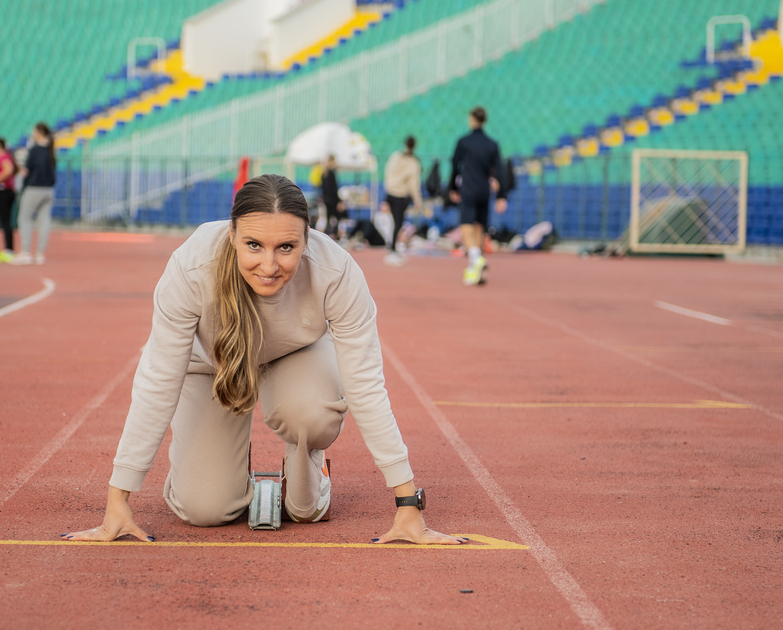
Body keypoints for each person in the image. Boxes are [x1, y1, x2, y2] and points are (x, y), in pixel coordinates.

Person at [62, 174, 463, 546]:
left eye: (286, 248)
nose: (269, 266)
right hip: (212, 365)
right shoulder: (191, 267)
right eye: (253, 245)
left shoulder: (337, 271)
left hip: (296, 356)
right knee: (205, 510)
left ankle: (309, 465)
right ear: (232, 233)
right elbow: (158, 379)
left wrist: (407, 504)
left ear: (307, 240)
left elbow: (365, 385)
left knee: (305, 504)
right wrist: (118, 499)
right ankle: (228, 466)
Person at [448, 107, 508, 286]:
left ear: (472, 119)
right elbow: (500, 170)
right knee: (479, 230)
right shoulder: (492, 144)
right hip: (484, 191)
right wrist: (501, 195)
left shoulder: (464, 142)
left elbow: (454, 165)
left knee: (466, 228)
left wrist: (452, 187)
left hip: (468, 189)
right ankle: (477, 272)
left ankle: (475, 259)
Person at [13, 123, 56, 265]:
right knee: (44, 221)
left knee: (24, 218)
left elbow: (27, 170)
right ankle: (40, 254)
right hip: (48, 189)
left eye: (34, 130)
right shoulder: (50, 149)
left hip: (34, 188)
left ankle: (25, 252)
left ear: (39, 132)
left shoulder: (35, 149)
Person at [382, 136, 422, 266]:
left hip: (390, 192)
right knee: (398, 223)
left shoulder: (395, 156)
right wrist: (417, 200)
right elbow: (413, 184)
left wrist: (388, 188)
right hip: (401, 195)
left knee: (393, 222)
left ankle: (392, 248)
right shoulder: (413, 162)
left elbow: (387, 172)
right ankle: (393, 249)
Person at [0, 137, 19, 263]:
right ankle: (8, 250)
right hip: (8, 191)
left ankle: (9, 250)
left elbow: (9, 170)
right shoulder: (6, 156)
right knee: (6, 222)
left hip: (4, 191)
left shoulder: (3, 157)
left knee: (6, 222)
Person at [320, 155, 344, 240]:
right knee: (337, 217)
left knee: (328, 218)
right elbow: (334, 189)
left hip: (327, 200)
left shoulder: (324, 174)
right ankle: (335, 234)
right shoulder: (331, 173)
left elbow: (323, 189)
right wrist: (338, 201)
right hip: (332, 200)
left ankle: (327, 235)